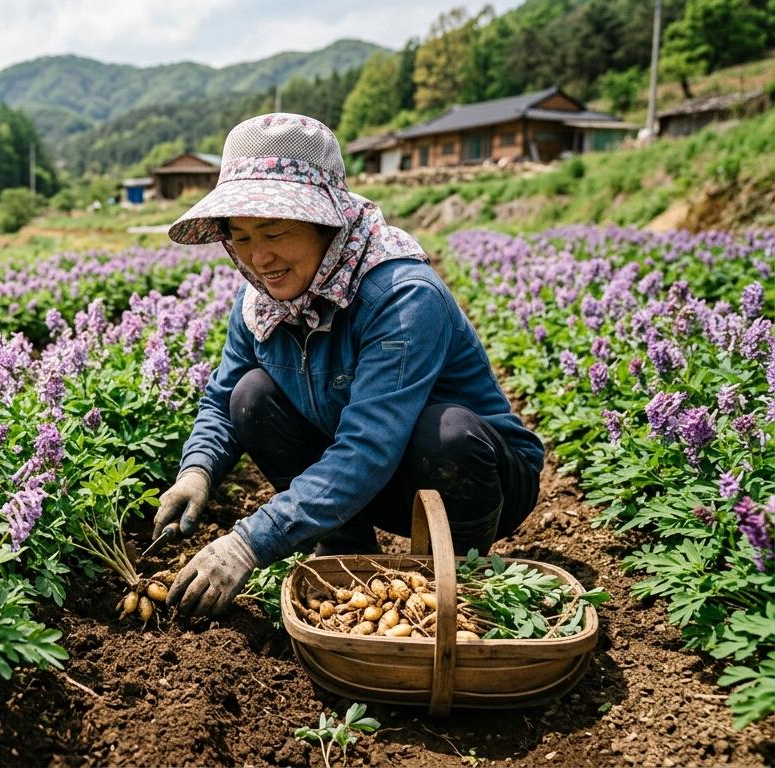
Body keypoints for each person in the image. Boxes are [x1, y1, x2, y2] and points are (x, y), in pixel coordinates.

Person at [156, 113, 545, 619]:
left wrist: (249, 542)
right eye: (242, 237)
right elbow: (223, 399)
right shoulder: (260, 301)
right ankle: (345, 552)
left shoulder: (401, 295)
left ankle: (455, 582)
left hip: (471, 478)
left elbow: (369, 445)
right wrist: (197, 471)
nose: (259, 257)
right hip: (365, 479)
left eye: (274, 231)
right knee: (250, 395)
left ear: (327, 223)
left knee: (444, 433)